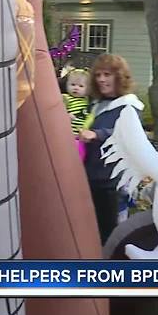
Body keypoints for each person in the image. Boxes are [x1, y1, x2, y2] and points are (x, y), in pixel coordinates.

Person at [79, 54, 144, 244]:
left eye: (107, 74)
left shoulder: (130, 105)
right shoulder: (98, 104)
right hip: (91, 176)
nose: (101, 79)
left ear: (119, 77)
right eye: (98, 75)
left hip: (111, 181)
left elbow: (127, 134)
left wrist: (97, 135)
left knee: (109, 235)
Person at [62, 68, 91, 135]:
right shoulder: (65, 98)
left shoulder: (87, 101)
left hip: (82, 134)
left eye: (81, 86)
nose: (76, 88)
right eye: (73, 84)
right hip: (68, 132)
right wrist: (66, 116)